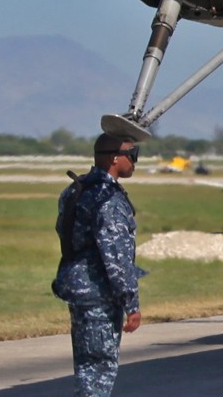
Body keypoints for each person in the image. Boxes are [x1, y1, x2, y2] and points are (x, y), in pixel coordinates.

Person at [52, 133, 145, 396]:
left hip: (78, 287)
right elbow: (116, 257)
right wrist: (131, 302)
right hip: (99, 294)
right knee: (99, 368)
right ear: (114, 158)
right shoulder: (109, 200)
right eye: (132, 154)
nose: (135, 161)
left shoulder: (76, 190)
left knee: (85, 364)